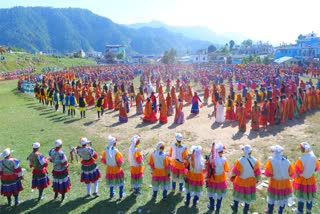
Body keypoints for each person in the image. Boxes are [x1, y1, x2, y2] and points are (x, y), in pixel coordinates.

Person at [230, 145, 261, 214]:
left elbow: (234, 172)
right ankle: (245, 210)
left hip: (240, 180)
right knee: (248, 196)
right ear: (251, 152)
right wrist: (257, 180)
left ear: (243, 151)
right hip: (250, 182)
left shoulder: (240, 160)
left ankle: (235, 206)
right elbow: (258, 173)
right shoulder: (255, 161)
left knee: (237, 194)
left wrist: (232, 177)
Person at [264, 145, 295, 214]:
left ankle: (270, 211)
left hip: (274, 182)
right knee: (283, 198)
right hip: (285, 183)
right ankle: (280, 211)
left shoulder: (271, 161)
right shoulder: (287, 161)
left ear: (273, 152)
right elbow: (292, 173)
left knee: (272, 197)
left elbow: (268, 174)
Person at [293, 142, 320, 214]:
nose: (300, 149)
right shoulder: (314, 157)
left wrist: (295, 176)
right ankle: (309, 211)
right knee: (309, 196)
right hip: (310, 179)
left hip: (301, 180)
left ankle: (300, 211)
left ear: (304, 149)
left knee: (301, 196)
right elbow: (316, 168)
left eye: (301, 148)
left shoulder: (301, 159)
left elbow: (298, 171)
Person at [206, 143, 229, 212]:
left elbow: (207, 167)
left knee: (211, 193)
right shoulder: (224, 159)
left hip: (212, 178)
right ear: (220, 152)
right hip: (221, 179)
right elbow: (226, 169)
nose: (222, 153)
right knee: (220, 194)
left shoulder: (211, 158)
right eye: (222, 152)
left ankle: (212, 205)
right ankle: (218, 207)